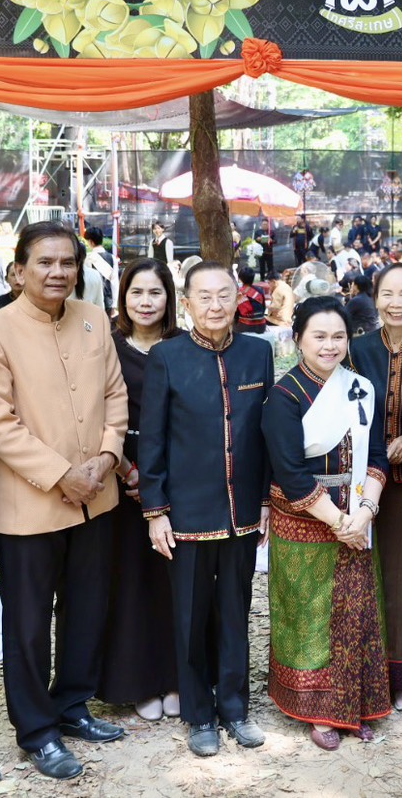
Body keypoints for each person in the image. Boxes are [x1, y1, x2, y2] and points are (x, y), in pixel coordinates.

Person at [0, 222, 130, 781]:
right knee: (30, 624)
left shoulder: (93, 320)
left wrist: (107, 459)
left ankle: (73, 704)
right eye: (45, 263)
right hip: (30, 506)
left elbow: (115, 395)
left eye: (67, 263)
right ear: (19, 270)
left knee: (87, 608)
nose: (58, 272)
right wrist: (62, 475)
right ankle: (37, 730)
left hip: (98, 497)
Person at [138, 261, 274, 758]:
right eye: (204, 297)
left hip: (242, 512)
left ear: (237, 297)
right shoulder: (167, 357)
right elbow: (150, 441)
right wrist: (156, 510)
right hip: (187, 514)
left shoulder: (258, 354)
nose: (215, 306)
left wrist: (264, 501)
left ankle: (235, 707)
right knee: (191, 617)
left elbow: (263, 435)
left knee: (237, 612)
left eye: (224, 296)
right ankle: (199, 713)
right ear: (188, 302)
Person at [262, 296, 391, 749]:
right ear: (297, 339)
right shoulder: (284, 397)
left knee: (355, 614)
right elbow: (291, 473)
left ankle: (353, 706)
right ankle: (315, 711)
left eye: (339, 336)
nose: (330, 345)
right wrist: (341, 522)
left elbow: (377, 457)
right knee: (310, 616)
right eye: (319, 336)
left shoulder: (359, 387)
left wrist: (366, 512)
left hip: (357, 514)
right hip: (307, 518)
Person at [348, 264, 402, 711]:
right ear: (376, 298)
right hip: (362, 479)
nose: (397, 302)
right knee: (362, 574)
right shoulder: (358, 349)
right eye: (388, 293)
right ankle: (364, 668)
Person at [98, 258, 181, 723]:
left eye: (155, 292)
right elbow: (97, 417)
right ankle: (138, 682)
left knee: (175, 585)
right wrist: (131, 474)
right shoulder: (108, 349)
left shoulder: (183, 347)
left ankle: (176, 677)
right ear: (123, 298)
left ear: (169, 298)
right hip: (123, 482)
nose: (145, 302)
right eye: (136, 293)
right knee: (131, 585)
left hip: (178, 486)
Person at [82, 227, 115, 312]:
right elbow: (115, 282)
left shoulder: (88, 258)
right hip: (108, 300)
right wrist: (114, 304)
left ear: (91, 242)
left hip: (92, 300)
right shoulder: (112, 258)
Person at [235, 267, 267, 332]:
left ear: (240, 279)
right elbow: (264, 308)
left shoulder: (239, 293)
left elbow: (236, 312)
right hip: (261, 326)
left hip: (245, 326)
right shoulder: (260, 290)